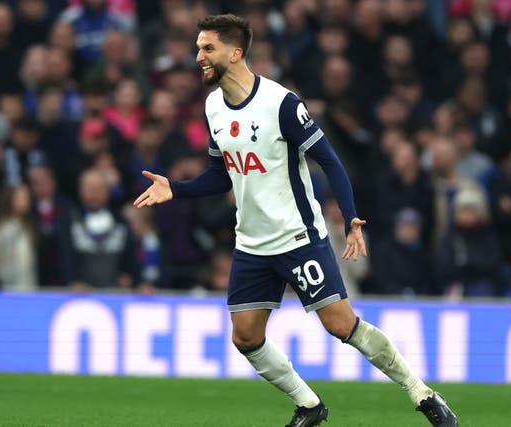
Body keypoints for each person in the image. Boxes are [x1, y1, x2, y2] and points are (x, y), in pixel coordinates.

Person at [134, 14, 457, 427]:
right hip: (251, 244)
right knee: (245, 336)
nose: (198, 57)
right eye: (198, 48)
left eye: (206, 48)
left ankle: (423, 394)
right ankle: (309, 405)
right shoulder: (213, 107)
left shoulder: (281, 104)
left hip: (298, 237)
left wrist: (353, 216)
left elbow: (330, 162)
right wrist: (175, 188)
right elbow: (221, 174)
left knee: (341, 325)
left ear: (235, 53)